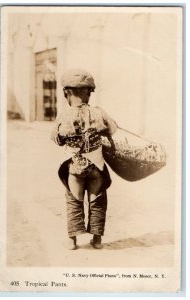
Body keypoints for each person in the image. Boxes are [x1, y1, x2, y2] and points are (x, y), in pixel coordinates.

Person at [51, 69, 118, 250]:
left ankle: (72, 241)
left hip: (74, 166)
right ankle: (96, 241)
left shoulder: (64, 115)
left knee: (74, 200)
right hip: (96, 165)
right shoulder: (99, 112)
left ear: (67, 93)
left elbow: (56, 139)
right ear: (89, 92)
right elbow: (112, 129)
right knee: (98, 200)